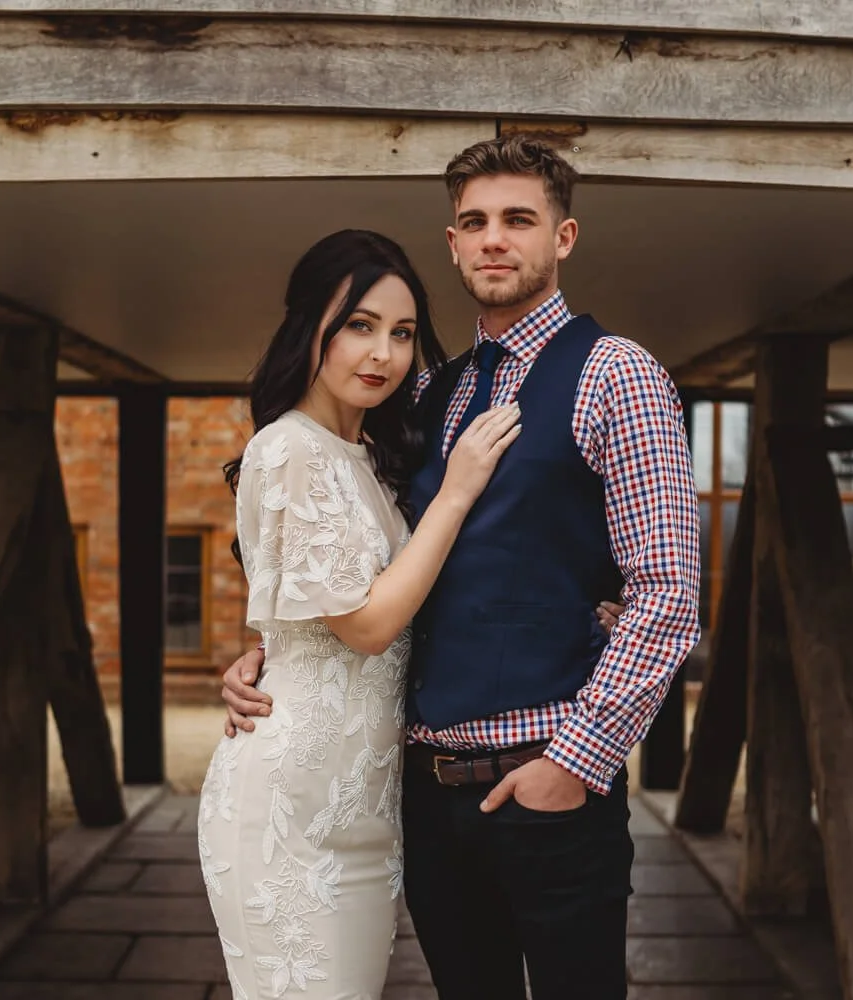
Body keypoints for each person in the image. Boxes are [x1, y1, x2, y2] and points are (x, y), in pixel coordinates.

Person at [221, 136, 701, 1000]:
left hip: (549, 782)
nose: (493, 239)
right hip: (425, 797)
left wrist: (577, 760)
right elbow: (345, 552)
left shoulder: (616, 376)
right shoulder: (426, 392)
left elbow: (665, 592)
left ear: (564, 237)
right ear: (451, 243)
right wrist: (273, 652)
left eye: (519, 219)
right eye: (474, 222)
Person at [198, 228, 527, 1000]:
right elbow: (369, 624)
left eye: (403, 333)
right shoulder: (288, 448)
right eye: (359, 325)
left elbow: (319, 602)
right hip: (288, 808)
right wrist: (459, 490)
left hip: (370, 810)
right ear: (310, 325)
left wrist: (262, 649)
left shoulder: (376, 457)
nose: (383, 353)